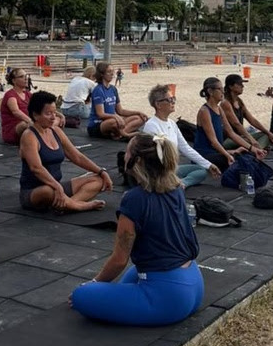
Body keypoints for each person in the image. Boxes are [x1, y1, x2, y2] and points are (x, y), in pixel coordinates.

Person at [70, 133, 203, 326]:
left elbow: (119, 260)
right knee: (134, 274)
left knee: (81, 296)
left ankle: (117, 295)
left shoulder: (134, 199)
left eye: (127, 152)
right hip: (194, 282)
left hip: (169, 299)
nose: (124, 156)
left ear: (136, 160)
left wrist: (93, 283)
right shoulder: (176, 188)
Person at [20, 91, 113, 211]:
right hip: (35, 192)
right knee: (48, 191)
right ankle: (78, 206)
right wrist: (57, 187)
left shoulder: (55, 131)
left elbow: (76, 156)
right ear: (36, 115)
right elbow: (36, 168)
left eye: (54, 113)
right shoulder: (29, 136)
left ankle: (68, 204)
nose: (53, 117)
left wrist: (101, 171)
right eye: (48, 114)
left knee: (98, 180)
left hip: (57, 186)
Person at [142, 84, 220, 188]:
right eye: (169, 100)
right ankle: (172, 182)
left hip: (172, 168)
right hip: (159, 170)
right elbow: (157, 156)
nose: (173, 102)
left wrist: (208, 164)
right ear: (158, 104)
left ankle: (181, 184)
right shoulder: (151, 126)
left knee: (201, 171)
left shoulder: (172, 123)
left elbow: (185, 148)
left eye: (173, 98)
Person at [193, 77, 266, 172]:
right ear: (210, 92)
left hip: (217, 152)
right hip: (204, 155)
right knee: (240, 160)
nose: (223, 92)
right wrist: (228, 154)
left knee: (248, 154)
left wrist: (252, 148)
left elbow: (231, 133)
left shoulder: (219, 109)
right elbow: (213, 141)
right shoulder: (204, 111)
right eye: (220, 89)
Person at [87, 61, 147, 140]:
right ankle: (124, 134)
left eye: (112, 71)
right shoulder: (98, 90)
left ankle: (119, 134)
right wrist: (115, 116)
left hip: (113, 120)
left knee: (139, 118)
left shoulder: (113, 89)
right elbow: (100, 114)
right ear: (102, 74)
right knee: (114, 122)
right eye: (109, 72)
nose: (112, 74)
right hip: (98, 124)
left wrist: (138, 112)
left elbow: (120, 111)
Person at [221, 74, 273, 150]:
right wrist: (252, 140)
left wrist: (268, 132)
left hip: (240, 136)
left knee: (266, 135)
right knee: (251, 140)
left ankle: (255, 150)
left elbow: (252, 120)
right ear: (230, 87)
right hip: (229, 139)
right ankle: (256, 151)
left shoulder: (239, 101)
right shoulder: (226, 103)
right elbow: (236, 124)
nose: (242, 86)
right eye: (239, 84)